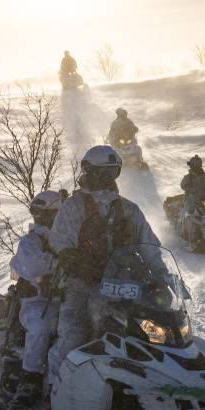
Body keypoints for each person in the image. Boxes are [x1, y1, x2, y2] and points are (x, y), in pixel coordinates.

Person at [47, 145, 160, 379]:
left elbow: (151, 248)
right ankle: (55, 393)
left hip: (126, 286)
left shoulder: (129, 209)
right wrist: (78, 264)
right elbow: (60, 242)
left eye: (113, 172)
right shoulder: (74, 206)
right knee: (73, 336)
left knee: (153, 336)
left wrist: (163, 277)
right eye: (103, 172)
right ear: (89, 172)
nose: (108, 178)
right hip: (82, 285)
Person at [10, 190, 65, 406]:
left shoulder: (69, 238)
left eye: (47, 214)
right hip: (37, 303)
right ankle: (30, 380)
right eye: (39, 214)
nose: (41, 219)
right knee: (43, 325)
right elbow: (34, 267)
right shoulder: (31, 241)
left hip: (69, 301)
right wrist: (60, 261)